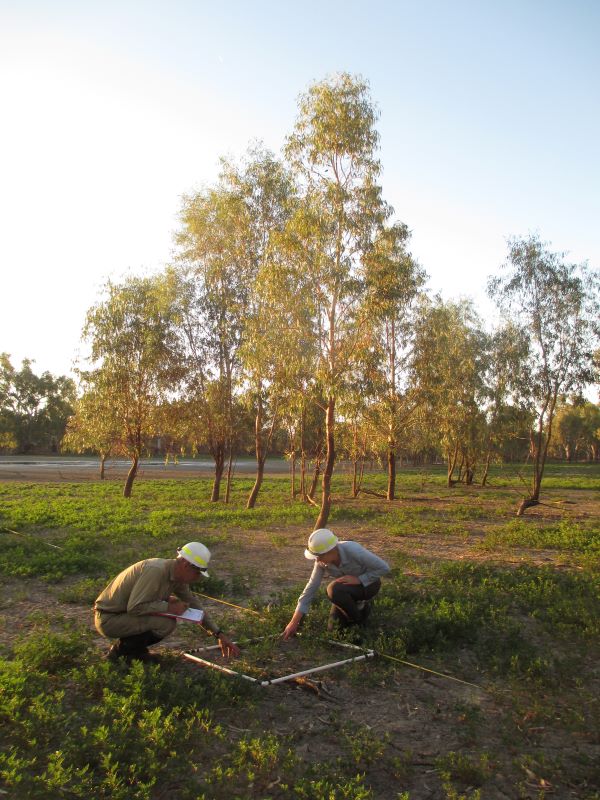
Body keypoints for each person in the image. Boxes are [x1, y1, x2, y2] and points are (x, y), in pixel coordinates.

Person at [94, 541, 240, 662]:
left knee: (165, 622)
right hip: (109, 618)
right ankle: (119, 655)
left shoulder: (177, 577)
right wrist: (168, 607)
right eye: (197, 573)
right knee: (165, 623)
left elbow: (194, 604)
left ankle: (135, 652)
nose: (197, 578)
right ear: (185, 565)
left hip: (123, 616)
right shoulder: (156, 571)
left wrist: (218, 633)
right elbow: (135, 607)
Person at [282, 528, 390, 639]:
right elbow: (311, 587)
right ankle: (358, 608)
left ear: (332, 550)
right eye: (316, 556)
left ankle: (358, 621)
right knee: (333, 632)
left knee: (333, 589)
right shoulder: (320, 562)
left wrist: (360, 579)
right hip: (346, 591)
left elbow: (384, 568)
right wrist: (294, 622)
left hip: (369, 585)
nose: (317, 560)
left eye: (320, 556)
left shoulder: (352, 549)